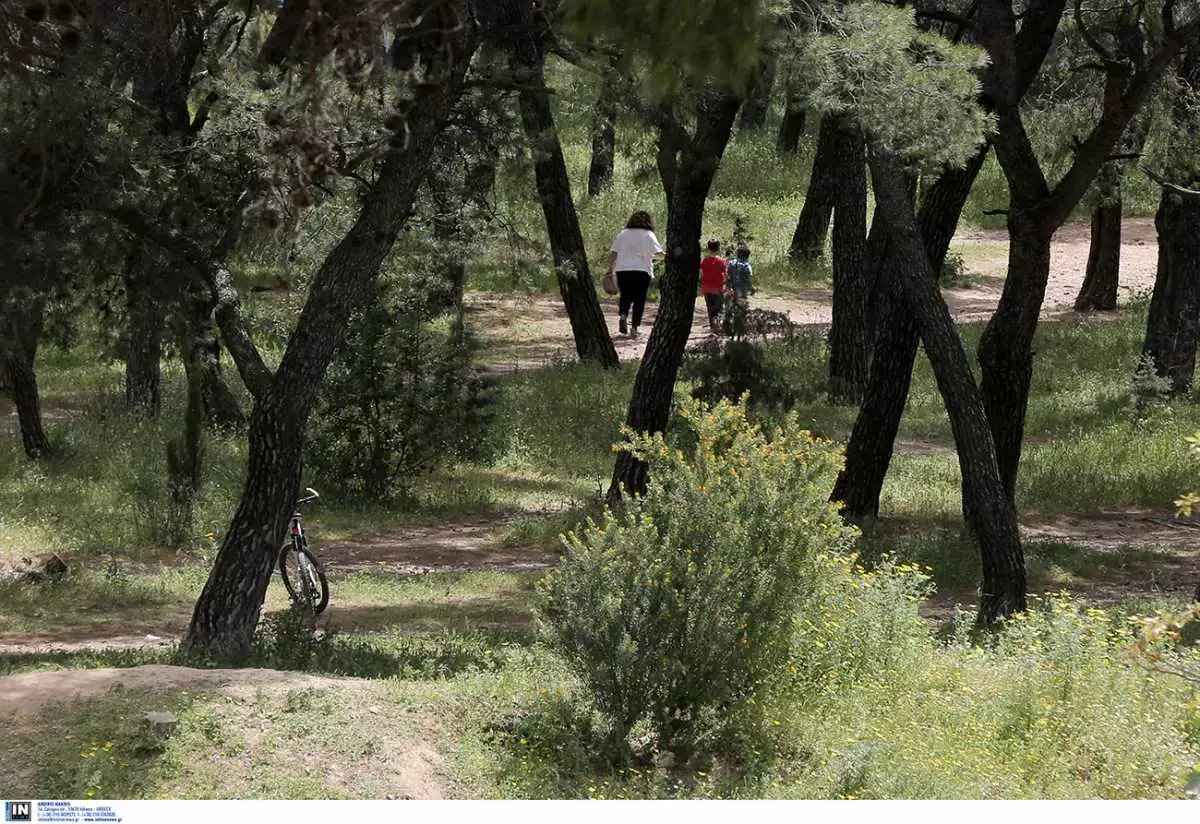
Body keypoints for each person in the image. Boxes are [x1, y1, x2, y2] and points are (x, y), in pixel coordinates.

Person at [605, 210, 664, 337]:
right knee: (639, 299)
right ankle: (634, 328)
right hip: (642, 270)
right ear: (648, 221)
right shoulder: (648, 234)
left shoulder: (623, 234)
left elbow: (614, 253)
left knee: (625, 295)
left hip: (623, 270)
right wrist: (669, 256)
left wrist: (609, 269)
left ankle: (623, 315)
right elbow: (658, 252)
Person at [698, 238, 727, 334]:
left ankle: (713, 327)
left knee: (710, 308)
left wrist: (701, 287)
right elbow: (726, 275)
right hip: (717, 289)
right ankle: (718, 327)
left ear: (708, 248)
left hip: (706, 288)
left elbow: (701, 275)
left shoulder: (704, 261)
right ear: (718, 248)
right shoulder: (722, 261)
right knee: (719, 308)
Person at [724, 245, 754, 336]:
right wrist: (751, 288)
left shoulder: (731, 263)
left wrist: (727, 286)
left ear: (737, 254)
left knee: (728, 306)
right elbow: (749, 278)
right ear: (747, 256)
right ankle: (740, 328)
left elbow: (727, 276)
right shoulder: (747, 265)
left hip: (730, 288)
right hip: (741, 290)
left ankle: (727, 321)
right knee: (742, 308)